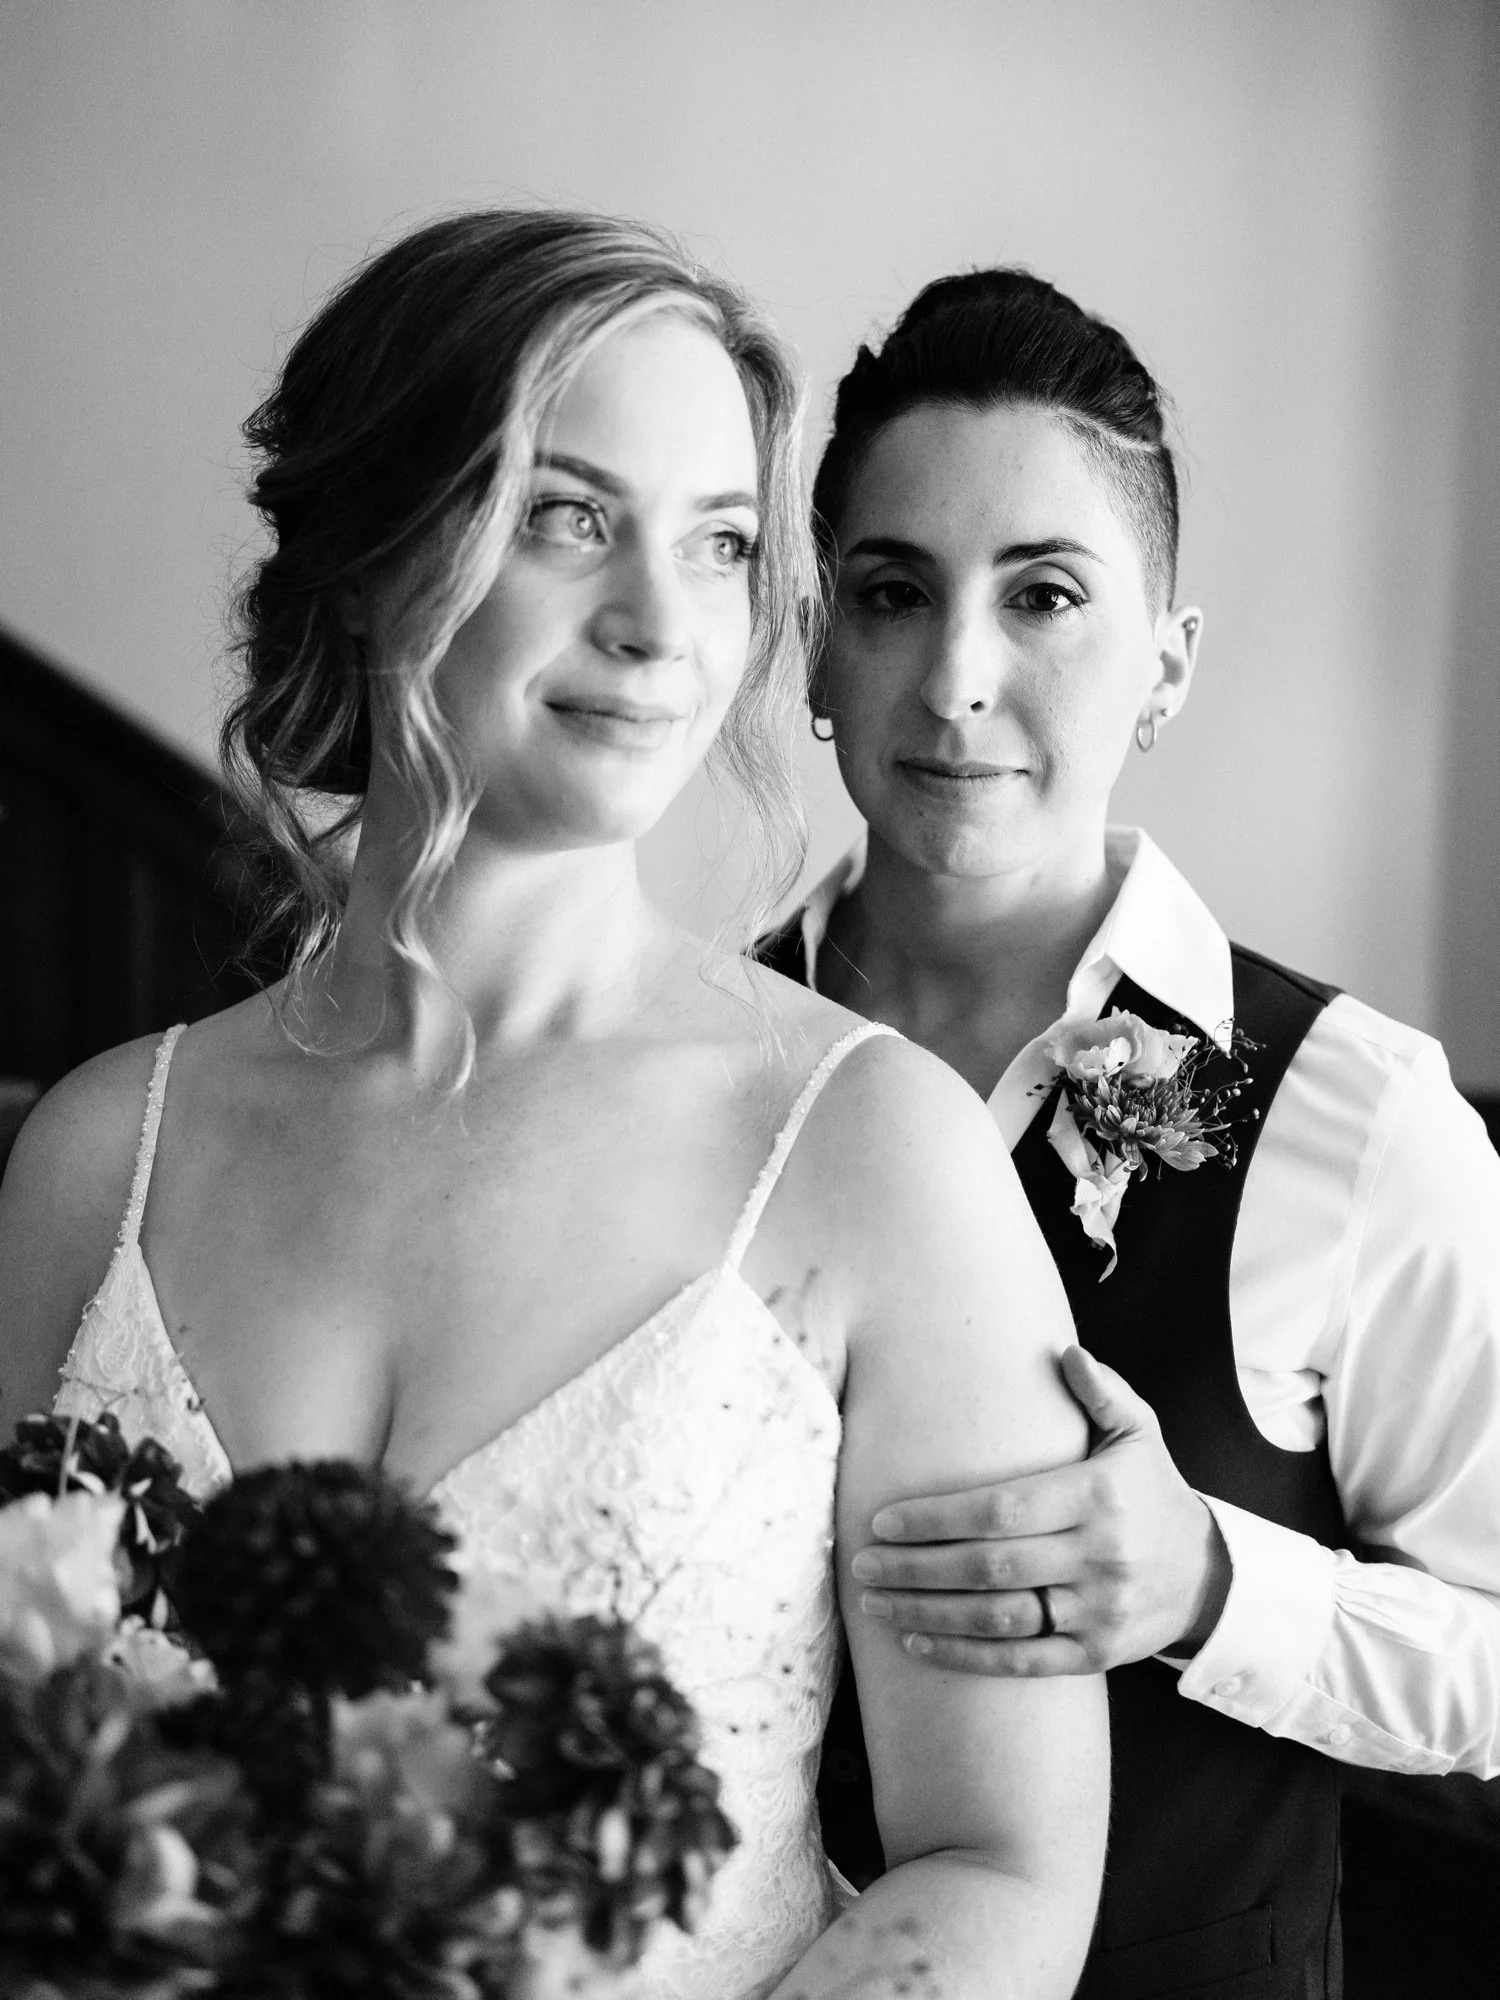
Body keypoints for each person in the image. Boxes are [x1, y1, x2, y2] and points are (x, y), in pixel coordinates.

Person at [0, 214, 1107, 2000]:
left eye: (721, 543)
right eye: (568, 517)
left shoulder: (874, 1154)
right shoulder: (94, 1160)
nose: (664, 625)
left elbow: (1004, 1865)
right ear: (372, 556)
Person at [757, 267, 1500, 2000]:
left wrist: (1212, 1585)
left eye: (1044, 596)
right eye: (893, 594)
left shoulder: (1356, 1116)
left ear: (1166, 663)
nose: (957, 678)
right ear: (815, 649)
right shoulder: (692, 1070)